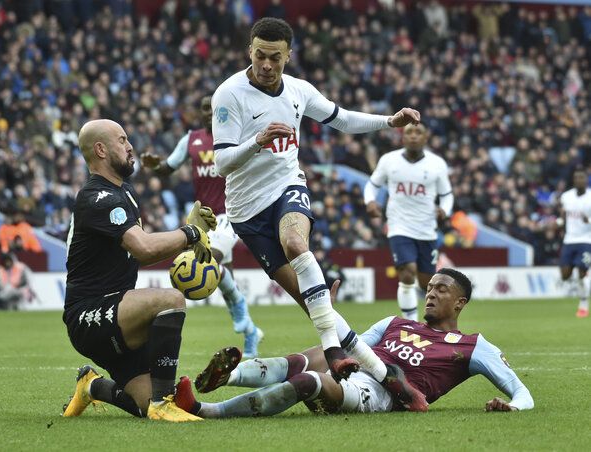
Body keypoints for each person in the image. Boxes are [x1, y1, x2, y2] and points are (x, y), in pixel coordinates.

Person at [211, 16, 424, 405]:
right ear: (250, 52)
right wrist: (257, 141)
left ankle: (333, 354)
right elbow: (223, 163)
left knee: (295, 241)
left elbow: (341, 119)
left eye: (275, 57)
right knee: (312, 302)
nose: (267, 65)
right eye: (260, 56)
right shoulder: (229, 95)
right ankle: (385, 376)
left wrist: (388, 122)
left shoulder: (298, 90)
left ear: (288, 56)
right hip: (246, 212)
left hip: (287, 187)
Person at [173, 268, 534, 418]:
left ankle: (206, 410)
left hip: (386, 394)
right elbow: (350, 345)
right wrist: (329, 314)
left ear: (460, 303)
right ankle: (227, 376)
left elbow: (523, 393)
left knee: (307, 382)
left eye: (442, 289)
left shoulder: (473, 346)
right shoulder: (395, 322)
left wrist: (513, 407)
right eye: (429, 289)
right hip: (359, 369)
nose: (431, 295)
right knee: (310, 358)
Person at [61, 119, 216, 422]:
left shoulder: (125, 192)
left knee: (140, 406)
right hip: (89, 314)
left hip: (120, 315)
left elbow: (137, 256)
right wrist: (190, 233)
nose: (131, 146)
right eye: (122, 140)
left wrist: (184, 235)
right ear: (101, 150)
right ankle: (163, 402)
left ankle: (91, 386)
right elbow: (144, 247)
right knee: (171, 300)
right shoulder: (98, 198)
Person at [141, 95, 263, 358]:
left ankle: (241, 308)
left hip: (231, 212)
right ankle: (252, 332)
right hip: (202, 218)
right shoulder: (191, 139)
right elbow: (169, 167)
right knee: (224, 281)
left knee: (207, 261)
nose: (209, 112)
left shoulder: (237, 136)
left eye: (214, 107)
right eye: (204, 107)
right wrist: (155, 165)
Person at [364, 122, 453, 321]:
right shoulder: (389, 160)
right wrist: (370, 201)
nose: (413, 136)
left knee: (426, 283)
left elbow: (447, 195)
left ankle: (435, 323)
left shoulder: (437, 164)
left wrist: (444, 210)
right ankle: (411, 325)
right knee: (406, 274)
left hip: (426, 229)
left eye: (418, 132)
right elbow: (371, 185)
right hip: (398, 226)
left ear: (425, 138)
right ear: (402, 137)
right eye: (409, 132)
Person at [557, 167, 591, 318]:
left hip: (586, 240)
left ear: (586, 179)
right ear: (573, 180)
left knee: (581, 273)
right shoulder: (566, 196)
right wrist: (559, 221)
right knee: (565, 275)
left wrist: (588, 220)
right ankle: (583, 282)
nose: (579, 180)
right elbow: (564, 213)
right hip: (569, 239)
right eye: (576, 178)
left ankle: (583, 304)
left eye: (581, 177)